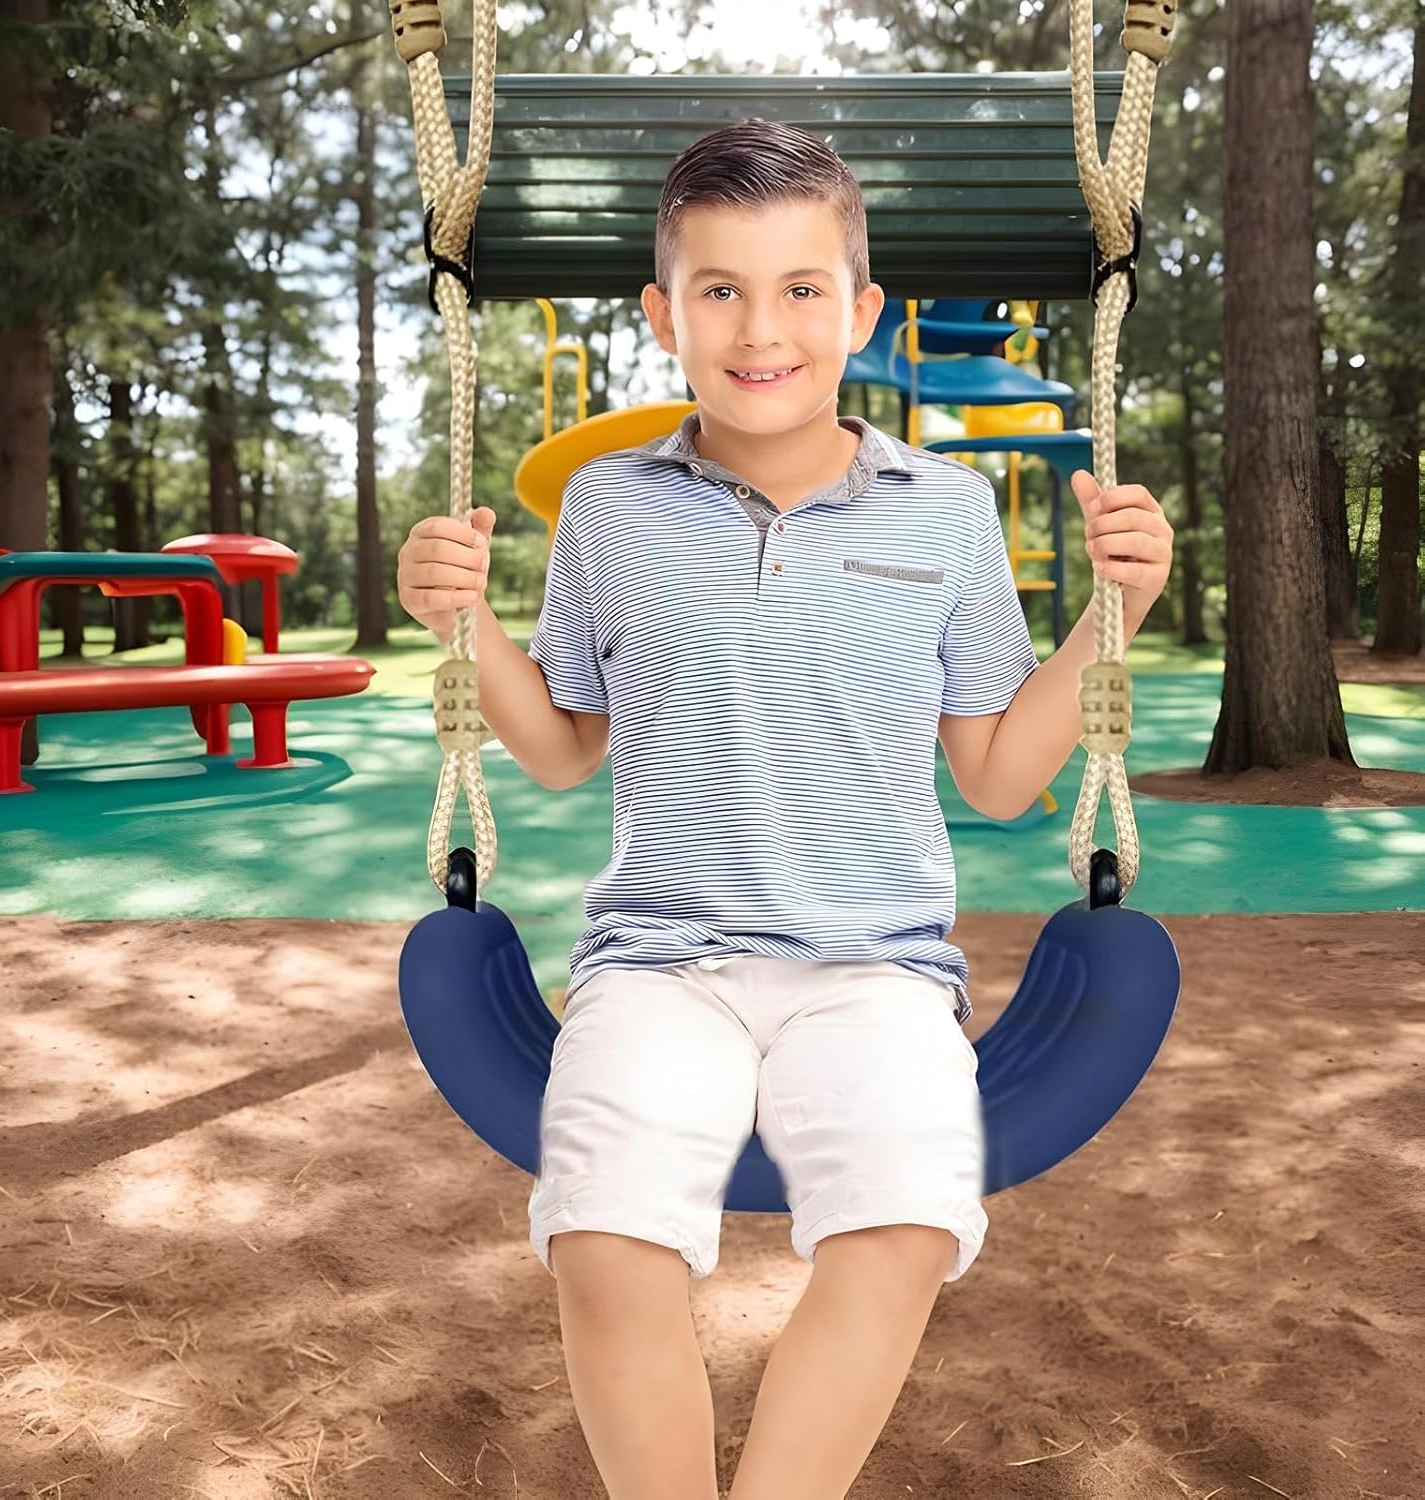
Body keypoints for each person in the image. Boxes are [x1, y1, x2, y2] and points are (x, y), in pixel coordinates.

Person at [397, 118, 1174, 1500]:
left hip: (878, 970)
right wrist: (464, 626)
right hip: (659, 963)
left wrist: (1115, 614)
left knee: (904, 1225)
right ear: (663, 316)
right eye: (720, 289)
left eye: (802, 288)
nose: (763, 329)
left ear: (861, 312)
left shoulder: (945, 511)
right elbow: (566, 751)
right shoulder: (608, 508)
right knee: (605, 1234)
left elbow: (1000, 776)